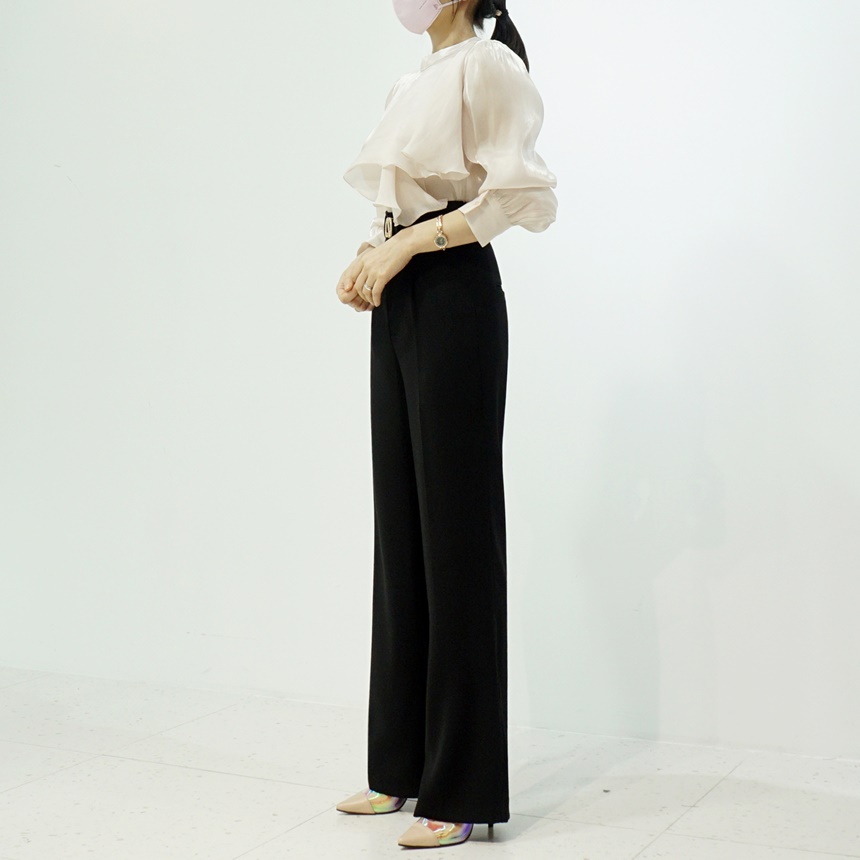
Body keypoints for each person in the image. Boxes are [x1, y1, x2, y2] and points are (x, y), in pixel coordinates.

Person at [334, 0, 557, 849]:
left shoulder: (489, 65)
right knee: (402, 530)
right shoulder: (412, 80)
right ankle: (399, 766)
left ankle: (462, 789)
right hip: (403, 297)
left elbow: (517, 195)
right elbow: (403, 199)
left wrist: (406, 248)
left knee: (456, 538)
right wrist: (373, 252)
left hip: (456, 295)